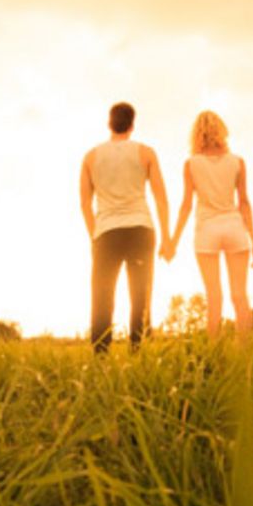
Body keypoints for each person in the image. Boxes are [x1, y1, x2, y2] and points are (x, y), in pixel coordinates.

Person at [80, 102, 171, 352]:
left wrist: (94, 236)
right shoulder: (146, 153)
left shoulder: (91, 156)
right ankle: (138, 356)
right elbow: (161, 199)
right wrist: (167, 238)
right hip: (140, 230)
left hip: (106, 233)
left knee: (101, 298)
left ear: (109, 124)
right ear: (132, 125)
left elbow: (85, 203)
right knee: (141, 298)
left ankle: (101, 359)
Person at [164, 111, 253, 340]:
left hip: (207, 231)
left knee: (214, 297)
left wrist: (172, 242)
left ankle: (213, 357)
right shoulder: (238, 162)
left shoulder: (191, 165)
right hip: (235, 228)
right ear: (222, 131)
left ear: (196, 135)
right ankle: (244, 356)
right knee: (239, 296)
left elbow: (186, 205)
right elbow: (244, 203)